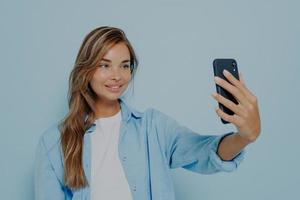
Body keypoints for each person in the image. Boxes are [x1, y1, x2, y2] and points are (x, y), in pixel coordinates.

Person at [34, 26, 261, 200]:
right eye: (104, 65)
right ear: (86, 70)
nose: (117, 75)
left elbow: (203, 153)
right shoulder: (53, 143)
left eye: (125, 65)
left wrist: (244, 137)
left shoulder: (153, 127)